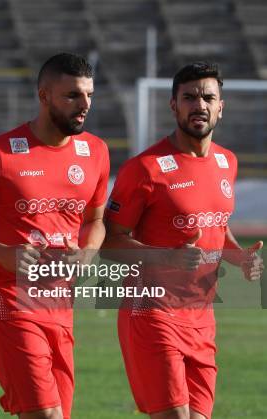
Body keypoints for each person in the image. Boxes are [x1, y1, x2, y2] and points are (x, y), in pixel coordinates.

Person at [0, 53, 110, 419]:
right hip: (10, 302)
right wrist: (2, 254)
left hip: (61, 306)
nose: (84, 106)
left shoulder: (94, 151)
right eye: (72, 96)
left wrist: (89, 250)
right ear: (44, 96)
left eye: (89, 95)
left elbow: (96, 220)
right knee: (44, 413)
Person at [104, 62, 264, 419]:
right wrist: (168, 258)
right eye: (189, 97)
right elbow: (109, 244)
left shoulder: (227, 162)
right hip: (152, 312)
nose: (199, 105)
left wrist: (238, 258)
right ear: (173, 105)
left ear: (221, 106)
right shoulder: (145, 169)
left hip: (202, 316)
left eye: (208, 97)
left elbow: (215, 227)